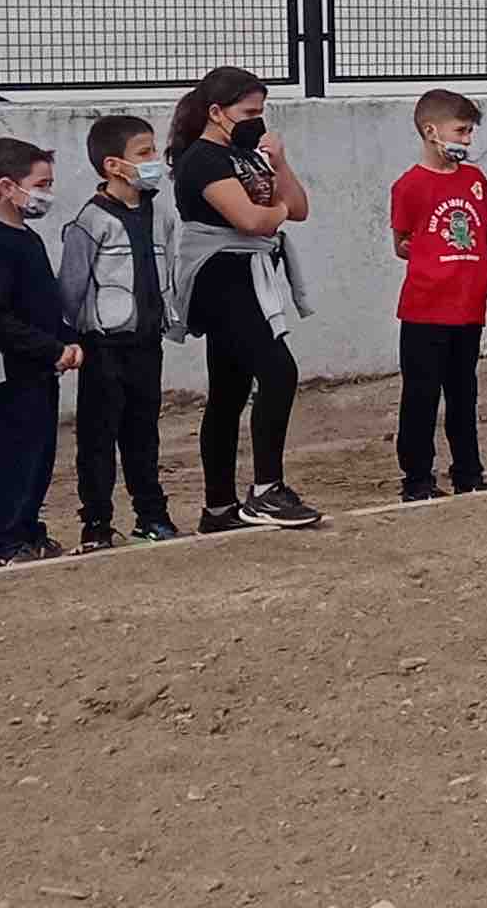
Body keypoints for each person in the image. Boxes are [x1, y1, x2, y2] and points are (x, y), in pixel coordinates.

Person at [168, 68, 324, 532]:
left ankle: (218, 506)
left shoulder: (249, 155)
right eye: (247, 112)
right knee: (278, 369)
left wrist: (279, 161)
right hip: (223, 276)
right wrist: (274, 215)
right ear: (216, 113)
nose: (256, 120)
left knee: (229, 390)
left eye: (261, 112)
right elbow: (252, 220)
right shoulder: (201, 160)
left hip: (252, 272)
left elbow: (298, 207)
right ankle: (266, 489)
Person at [55, 114, 179, 550]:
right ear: (113, 165)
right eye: (143, 154)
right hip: (103, 346)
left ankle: (152, 514)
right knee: (98, 437)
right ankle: (97, 524)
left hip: (147, 343)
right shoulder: (91, 221)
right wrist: (70, 336)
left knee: (143, 432)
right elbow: (70, 287)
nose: (154, 161)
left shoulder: (158, 213)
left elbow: (168, 270)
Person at [385, 89, 487, 499]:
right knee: (421, 395)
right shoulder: (410, 186)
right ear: (431, 132)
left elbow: (480, 231)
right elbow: (402, 241)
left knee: (464, 393)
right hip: (426, 309)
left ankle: (468, 470)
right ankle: (417, 478)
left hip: (468, 308)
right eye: (461, 130)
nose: (467, 140)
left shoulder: (475, 181)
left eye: (470, 132)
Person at [0, 137, 77, 564]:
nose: (46, 194)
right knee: (16, 451)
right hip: (14, 367)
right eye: (40, 184)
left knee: (40, 451)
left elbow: (43, 303)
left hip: (42, 365)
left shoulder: (28, 239)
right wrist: (50, 348)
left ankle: (30, 529)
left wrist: (68, 341)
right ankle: (7, 540)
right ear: (6, 187)